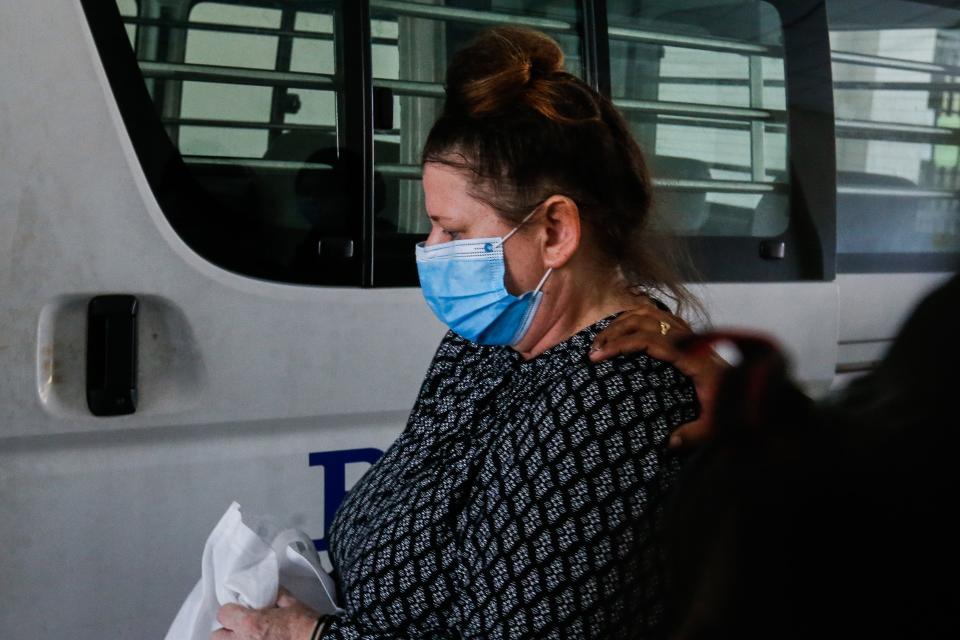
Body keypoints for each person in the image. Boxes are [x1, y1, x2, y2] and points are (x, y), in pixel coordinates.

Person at [214, 26, 716, 639]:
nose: (430, 252)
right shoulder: (481, 349)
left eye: (452, 232)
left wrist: (306, 638)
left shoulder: (615, 398)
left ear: (556, 231)